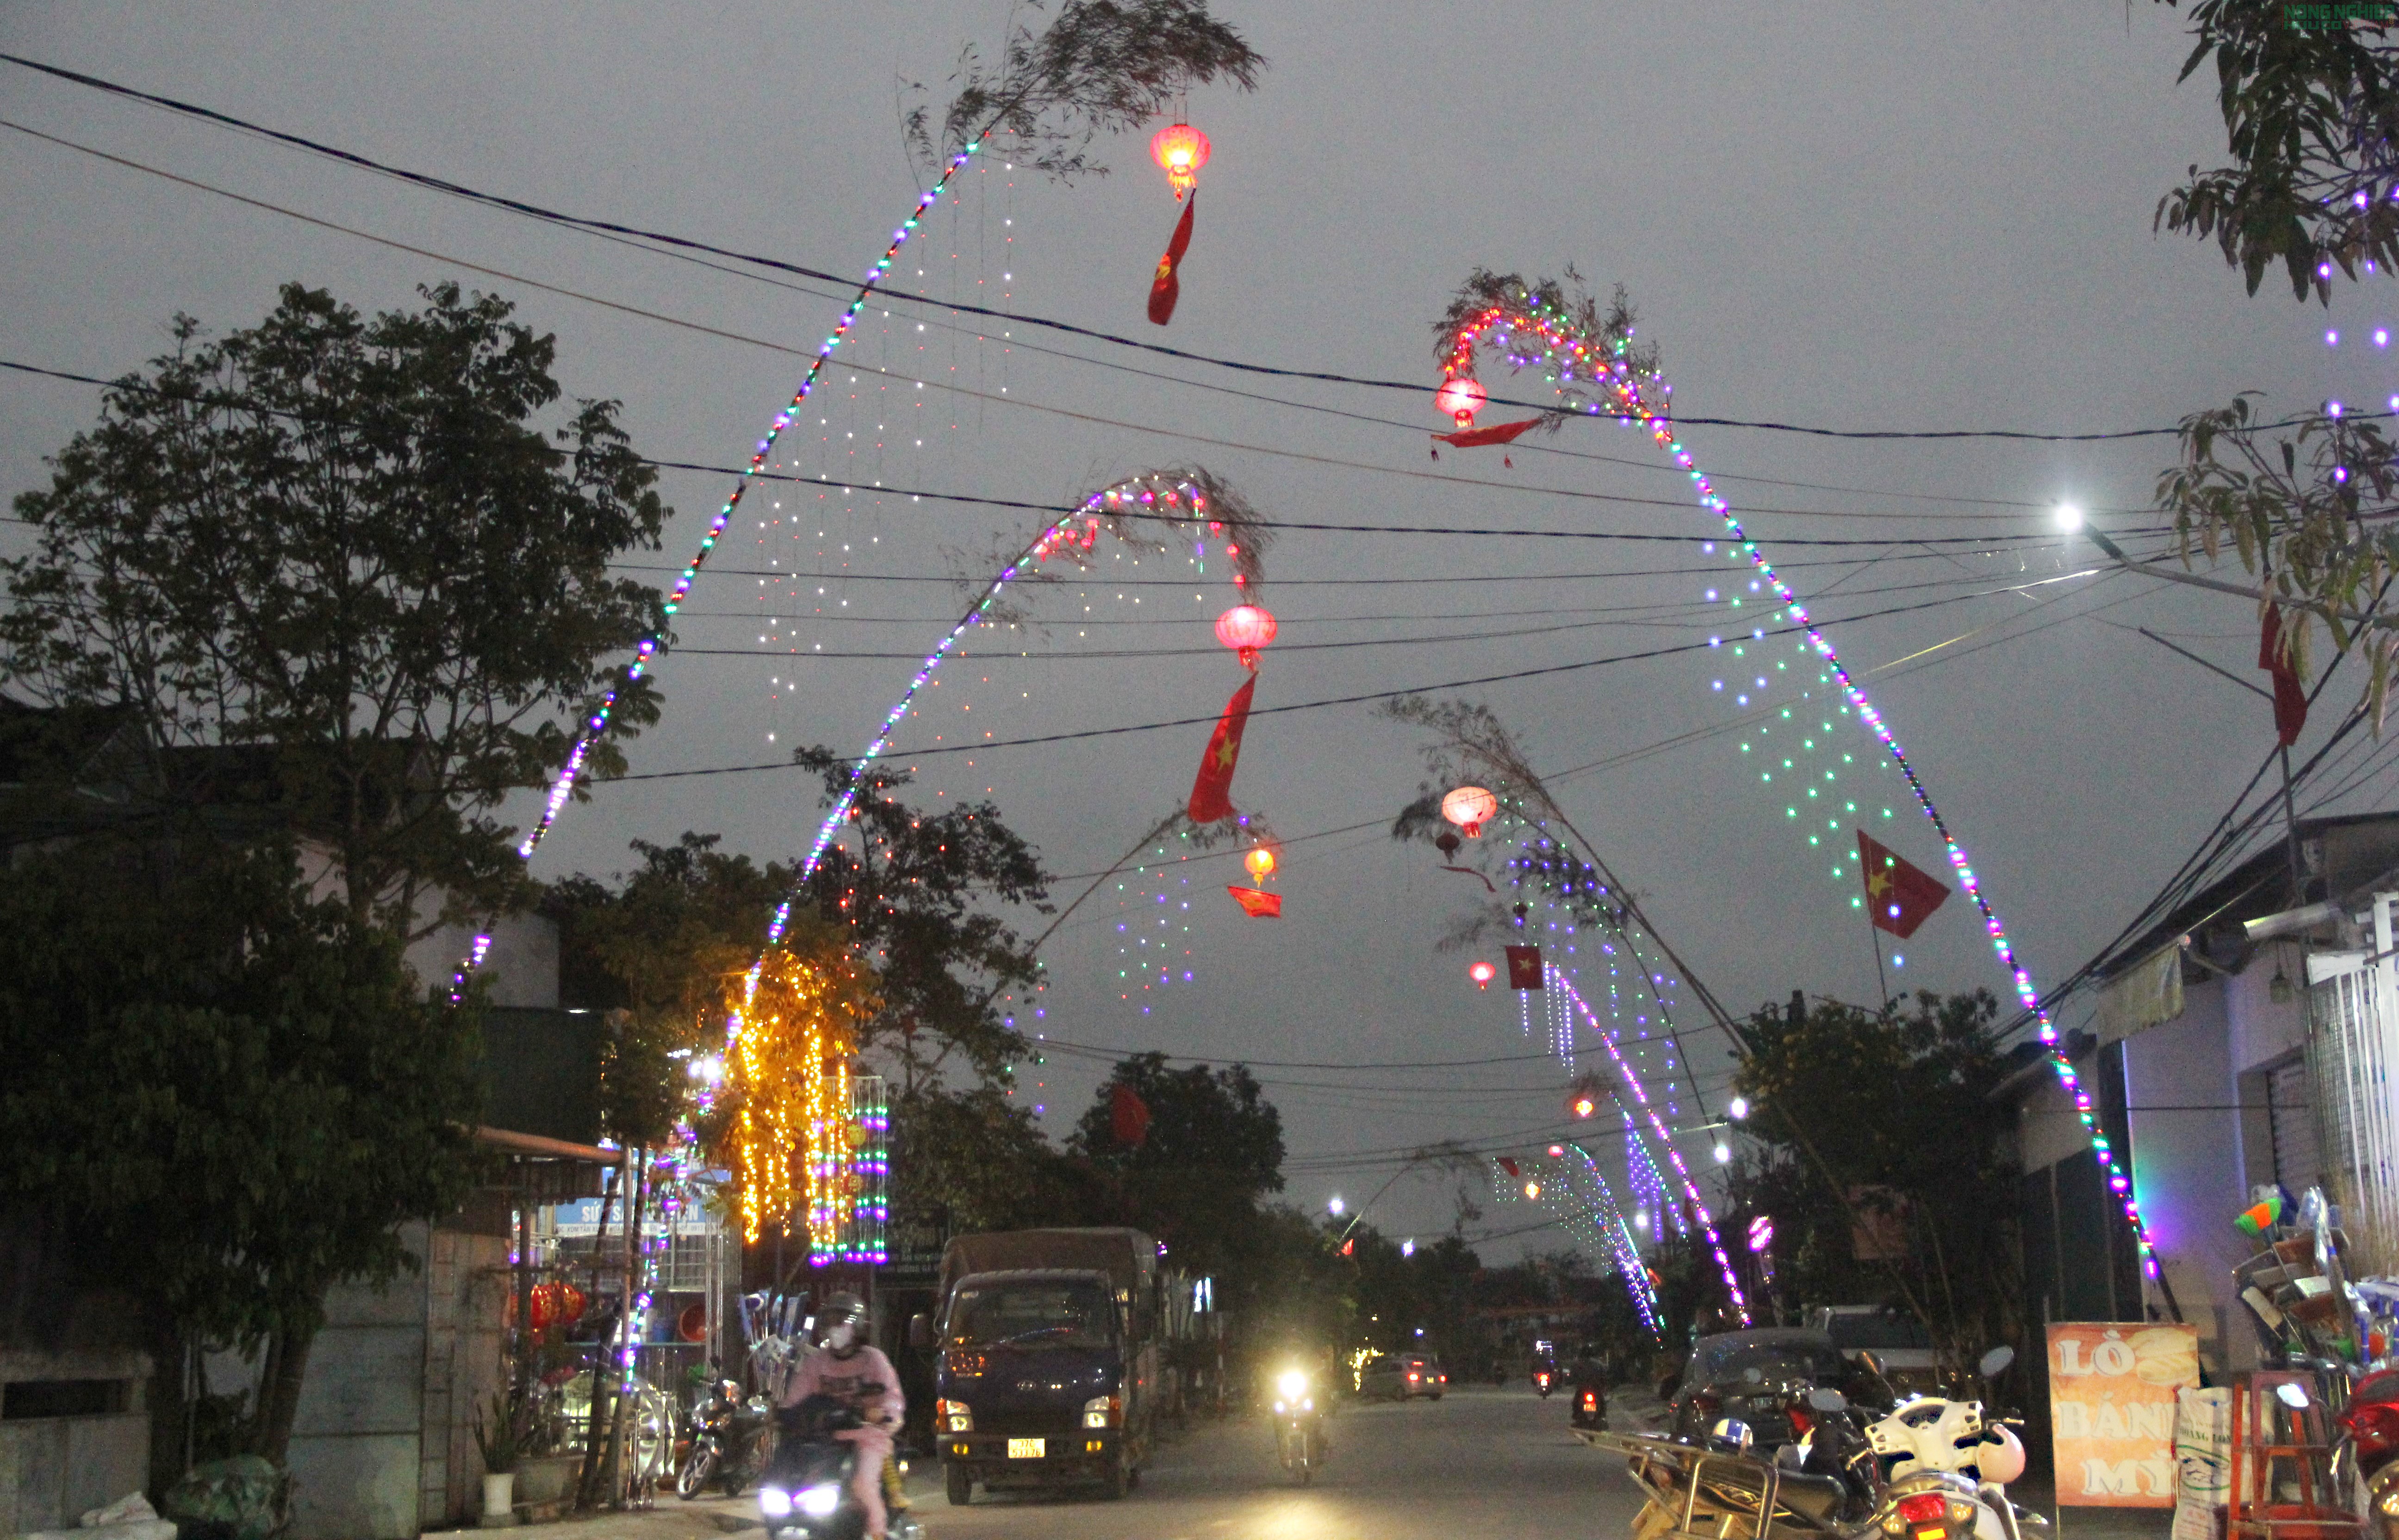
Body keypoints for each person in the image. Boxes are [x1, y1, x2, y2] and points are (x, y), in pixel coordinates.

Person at [777, 1292, 904, 1539]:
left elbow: (892, 1397)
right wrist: (782, 1413)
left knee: (863, 1484)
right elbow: (795, 1397)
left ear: (856, 1326)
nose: (834, 1329)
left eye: (841, 1322)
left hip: (867, 1436)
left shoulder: (873, 1360)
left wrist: (884, 1414)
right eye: (830, 1323)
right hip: (827, 1438)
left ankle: (878, 1531)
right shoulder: (817, 1363)